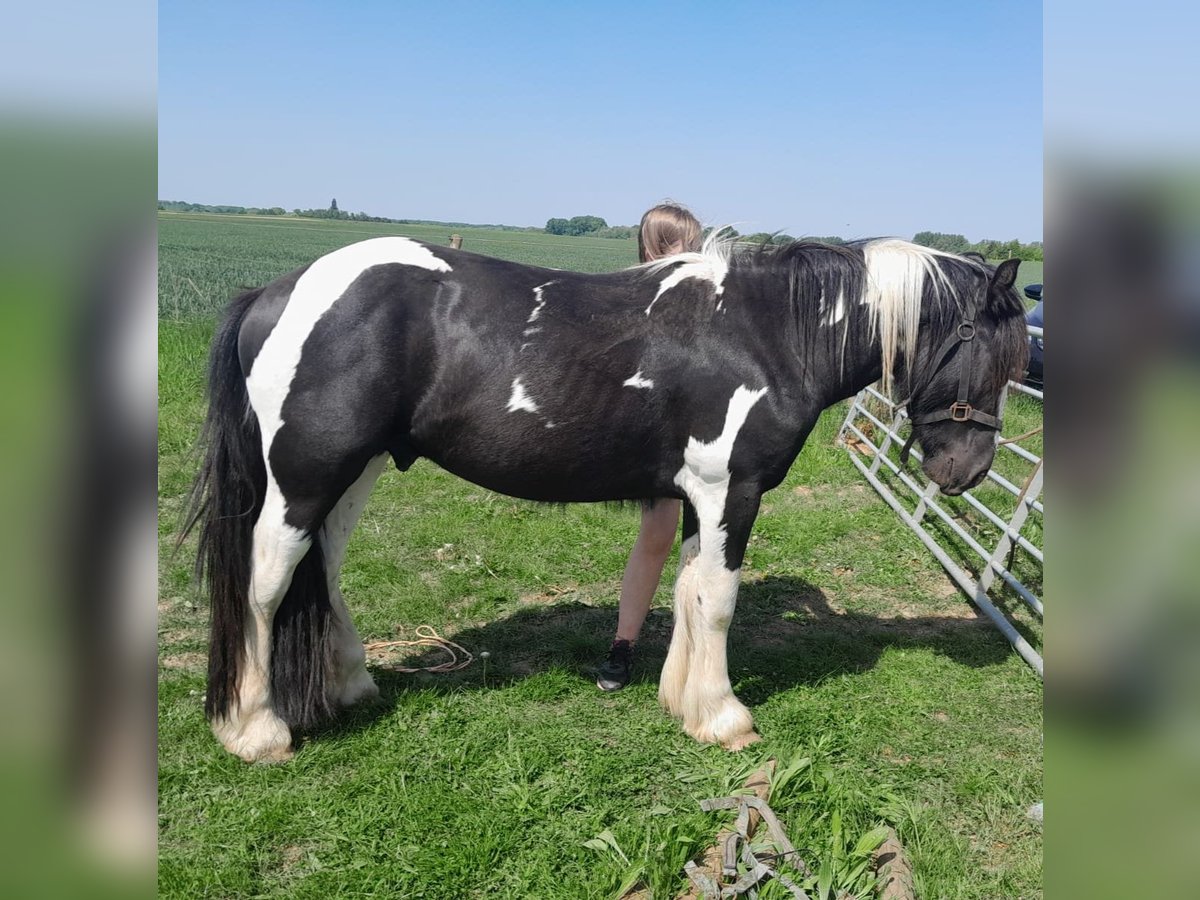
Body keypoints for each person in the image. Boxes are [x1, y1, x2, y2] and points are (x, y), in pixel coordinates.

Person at [596, 202, 703, 691]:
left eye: (690, 242)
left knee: (705, 547)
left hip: (707, 439)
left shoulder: (706, 292)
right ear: (651, 247)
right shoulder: (632, 295)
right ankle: (624, 643)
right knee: (658, 535)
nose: (687, 250)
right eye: (675, 243)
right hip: (661, 440)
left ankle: (695, 644)